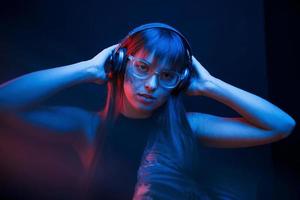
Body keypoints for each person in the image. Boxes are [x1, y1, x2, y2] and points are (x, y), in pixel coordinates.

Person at [0, 22, 296, 200]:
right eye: (142, 68)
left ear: (179, 82)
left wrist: (210, 84)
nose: (152, 84)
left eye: (167, 76)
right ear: (119, 64)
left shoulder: (188, 127)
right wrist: (87, 68)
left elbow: (281, 125)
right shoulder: (88, 127)